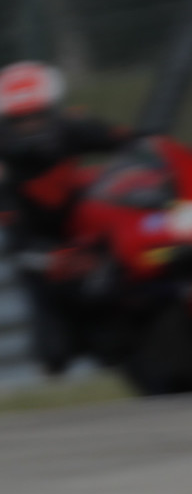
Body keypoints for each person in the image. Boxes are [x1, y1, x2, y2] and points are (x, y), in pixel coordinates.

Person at [0, 61, 135, 374]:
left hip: (90, 235)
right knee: (54, 355)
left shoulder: (73, 128)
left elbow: (127, 139)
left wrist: (169, 152)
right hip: (45, 256)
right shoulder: (4, 168)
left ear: (52, 110)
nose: (31, 126)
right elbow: (18, 242)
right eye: (21, 121)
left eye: (36, 116)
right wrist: (54, 259)